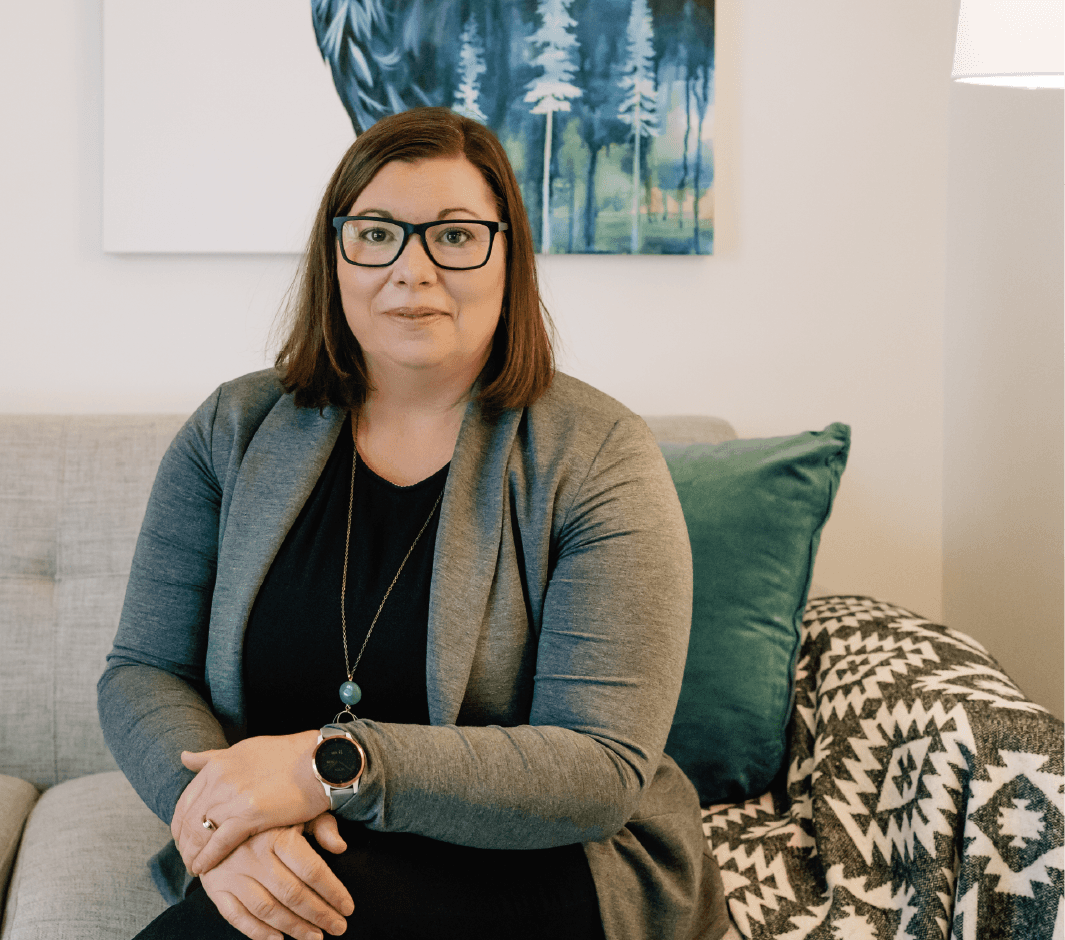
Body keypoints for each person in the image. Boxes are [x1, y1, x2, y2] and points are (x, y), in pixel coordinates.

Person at [97, 106, 729, 940]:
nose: (411, 270)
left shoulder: (601, 454)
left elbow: (598, 767)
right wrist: (218, 814)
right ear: (337, 255)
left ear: (509, 255)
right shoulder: (233, 431)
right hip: (311, 843)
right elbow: (143, 670)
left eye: (456, 237)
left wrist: (324, 765)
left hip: (551, 857)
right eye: (376, 234)